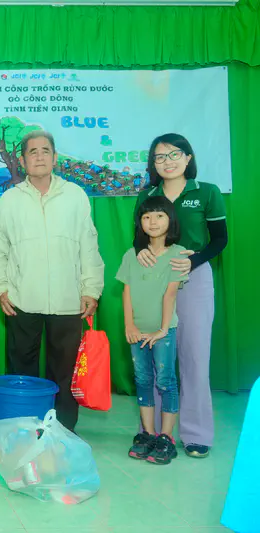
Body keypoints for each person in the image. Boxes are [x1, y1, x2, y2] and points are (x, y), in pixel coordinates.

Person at [0, 130, 104, 431]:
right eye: (33, 151)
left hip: (68, 300)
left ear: (55, 157)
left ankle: (62, 431)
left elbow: (88, 245)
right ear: (23, 160)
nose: (39, 156)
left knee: (64, 371)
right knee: (21, 369)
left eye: (45, 150)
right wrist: (0, 289)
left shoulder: (75, 195)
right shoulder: (10, 200)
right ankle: (23, 427)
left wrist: (91, 289)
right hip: (23, 300)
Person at [135, 133, 228, 459]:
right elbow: (139, 237)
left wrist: (192, 261)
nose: (168, 161)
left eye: (175, 154)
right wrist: (141, 254)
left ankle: (197, 434)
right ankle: (162, 433)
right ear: (153, 164)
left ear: (188, 158)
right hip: (154, 284)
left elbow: (219, 240)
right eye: (160, 157)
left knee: (194, 357)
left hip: (193, 280)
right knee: (159, 359)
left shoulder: (207, 192)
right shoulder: (148, 194)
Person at [118, 196, 187, 464]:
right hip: (138, 332)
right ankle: (148, 434)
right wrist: (129, 325)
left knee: (166, 381)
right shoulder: (132, 254)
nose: (153, 221)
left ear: (170, 220)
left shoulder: (178, 253)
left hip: (163, 332)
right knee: (143, 380)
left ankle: (166, 437)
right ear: (140, 223)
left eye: (159, 215)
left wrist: (162, 329)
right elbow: (127, 291)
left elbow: (170, 295)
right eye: (147, 217)